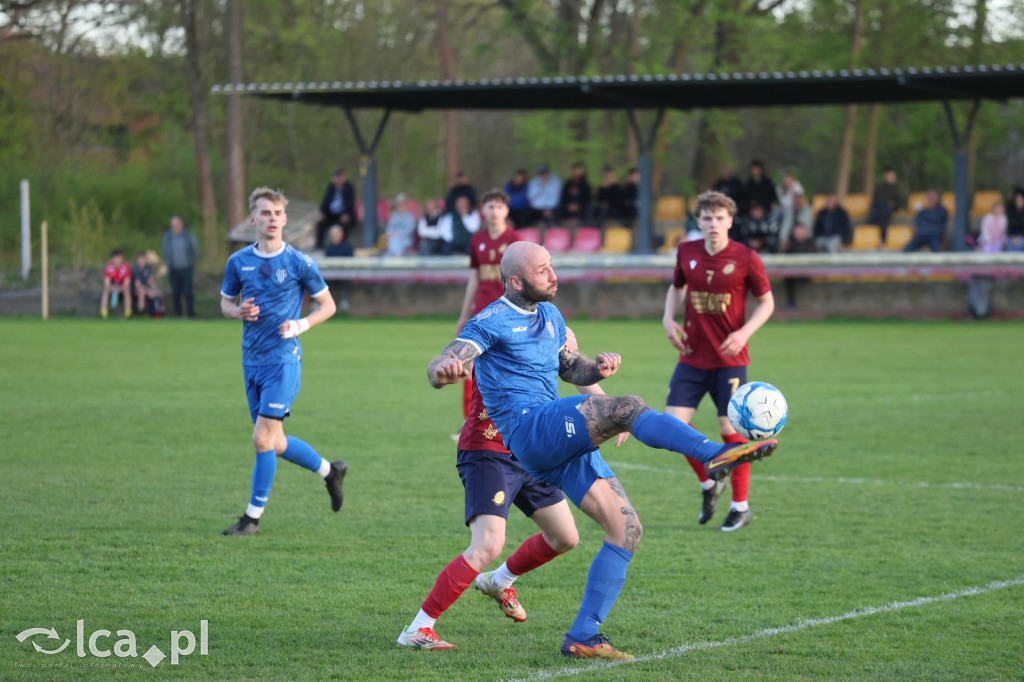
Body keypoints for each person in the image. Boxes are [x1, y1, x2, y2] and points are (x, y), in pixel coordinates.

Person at [424, 241, 778, 659]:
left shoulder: (550, 315)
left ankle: (584, 635)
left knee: (626, 530)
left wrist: (597, 369)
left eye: (552, 266)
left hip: (558, 438)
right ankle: (712, 454)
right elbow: (446, 359)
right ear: (516, 281)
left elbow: (570, 367)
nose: (553, 275)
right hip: (530, 429)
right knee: (628, 407)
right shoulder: (491, 320)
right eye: (543, 270)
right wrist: (442, 370)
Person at [219, 187, 346, 536]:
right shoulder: (238, 262)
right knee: (274, 441)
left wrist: (301, 325)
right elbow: (225, 304)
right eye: (265, 213)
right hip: (252, 362)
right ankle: (329, 472)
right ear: (253, 219)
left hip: (283, 362)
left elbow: (328, 306)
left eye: (277, 213)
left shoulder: (299, 262)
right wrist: (238, 311)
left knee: (262, 439)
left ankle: (251, 519)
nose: (272, 219)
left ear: (285, 219)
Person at [662, 191, 775, 532]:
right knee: (673, 426)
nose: (713, 224)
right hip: (692, 355)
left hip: (729, 359)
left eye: (720, 218)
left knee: (732, 431)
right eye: (707, 218)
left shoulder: (746, 257)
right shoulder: (687, 251)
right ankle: (711, 483)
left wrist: (745, 332)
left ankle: (740, 507)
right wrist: (669, 318)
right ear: (699, 221)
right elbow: (676, 287)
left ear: (730, 220)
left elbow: (767, 303)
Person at [453, 189, 522, 420]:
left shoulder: (515, 240)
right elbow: (474, 277)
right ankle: (470, 419)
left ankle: (508, 418)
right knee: (469, 365)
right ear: (483, 211)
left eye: (499, 206)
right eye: (490, 206)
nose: (494, 211)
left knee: (508, 366)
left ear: (506, 211)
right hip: (481, 314)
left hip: (507, 315)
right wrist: (464, 315)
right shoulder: (477, 240)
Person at [161, 215, 199, 317]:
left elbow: (195, 250)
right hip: (173, 268)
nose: (175, 227)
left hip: (186, 268)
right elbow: (165, 251)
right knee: (176, 292)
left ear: (181, 224)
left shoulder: (188, 235)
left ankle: (191, 315)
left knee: (188, 292)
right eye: (173, 225)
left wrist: (192, 262)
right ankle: (178, 315)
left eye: (177, 225)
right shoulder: (168, 237)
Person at [317, 168, 356, 249]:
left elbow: (350, 203)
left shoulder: (348, 187)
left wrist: (346, 213)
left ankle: (342, 245)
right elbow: (325, 201)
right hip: (331, 214)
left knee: (344, 224)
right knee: (320, 224)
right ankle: (319, 246)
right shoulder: (331, 187)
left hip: (344, 214)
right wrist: (323, 213)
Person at [868, 167, 905, 246]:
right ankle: (873, 236)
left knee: (884, 213)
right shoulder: (880, 187)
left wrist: (894, 205)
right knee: (873, 213)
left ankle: (882, 237)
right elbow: (874, 200)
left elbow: (900, 201)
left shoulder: (896, 188)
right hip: (878, 206)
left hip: (889, 207)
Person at [527, 163, 561, 227]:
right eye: (541, 173)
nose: (543, 175)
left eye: (545, 173)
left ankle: (554, 230)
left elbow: (556, 198)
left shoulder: (556, 181)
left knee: (555, 214)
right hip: (537, 209)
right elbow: (531, 197)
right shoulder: (534, 182)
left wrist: (548, 209)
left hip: (551, 208)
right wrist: (541, 186)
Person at [100, 249, 132, 319]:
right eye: (116, 258)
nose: (117, 260)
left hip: (122, 287)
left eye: (119, 258)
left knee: (127, 291)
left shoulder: (126, 268)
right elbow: (107, 283)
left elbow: (127, 283)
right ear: (112, 259)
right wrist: (113, 288)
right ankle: (104, 313)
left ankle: (128, 313)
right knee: (106, 291)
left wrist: (120, 288)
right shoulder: (109, 267)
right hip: (112, 287)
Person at [131, 251, 164, 317]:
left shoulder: (147, 268)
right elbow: (138, 285)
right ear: (137, 260)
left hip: (144, 288)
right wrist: (148, 291)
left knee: (157, 293)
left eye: (143, 259)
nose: (142, 261)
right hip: (134, 289)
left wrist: (155, 289)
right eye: (140, 259)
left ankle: (159, 313)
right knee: (142, 292)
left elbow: (151, 280)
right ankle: (141, 314)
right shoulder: (135, 269)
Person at [1005, 188, 1024, 252]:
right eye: (1017, 200)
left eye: (1021, 200)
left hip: (1022, 237)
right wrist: (1012, 238)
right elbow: (1009, 228)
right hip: (1013, 237)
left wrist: (1020, 238)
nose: (1019, 202)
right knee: (1009, 244)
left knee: (1020, 245)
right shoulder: (1012, 213)